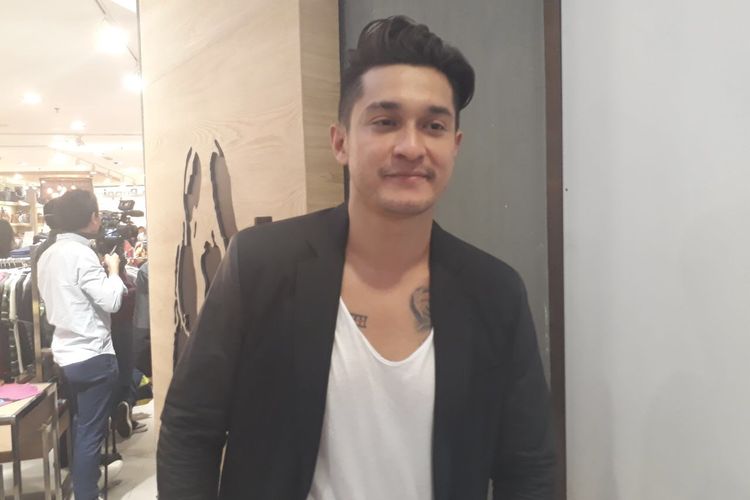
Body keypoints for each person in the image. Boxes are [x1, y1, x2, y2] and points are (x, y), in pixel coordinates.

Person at [157, 16, 555, 499]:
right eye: (385, 122)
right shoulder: (262, 265)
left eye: (433, 126)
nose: (411, 147)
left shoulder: (494, 292)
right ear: (341, 142)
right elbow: (190, 428)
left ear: (454, 146)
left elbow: (526, 467)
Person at [37, 190, 126, 500]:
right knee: (90, 431)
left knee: (80, 425)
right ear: (91, 218)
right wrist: (113, 270)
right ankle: (86, 493)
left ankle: (85, 484)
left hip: (66, 353)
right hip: (92, 354)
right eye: (97, 214)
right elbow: (112, 301)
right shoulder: (81, 254)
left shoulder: (47, 254)